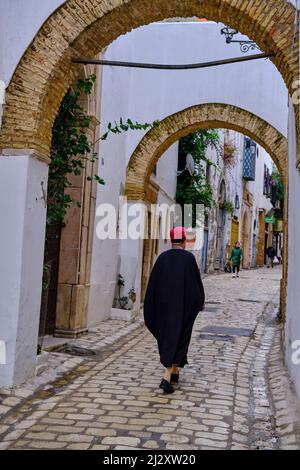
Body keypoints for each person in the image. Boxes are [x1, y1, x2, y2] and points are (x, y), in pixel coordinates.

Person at [143, 226, 205, 394]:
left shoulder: (162, 258)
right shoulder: (189, 259)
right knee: (180, 335)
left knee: (169, 335)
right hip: (183, 307)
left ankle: (175, 371)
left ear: (171, 241)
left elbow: (152, 285)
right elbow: (195, 284)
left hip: (164, 308)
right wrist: (200, 302)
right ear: (184, 241)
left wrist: (152, 305)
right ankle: (167, 376)